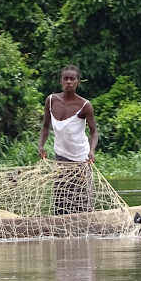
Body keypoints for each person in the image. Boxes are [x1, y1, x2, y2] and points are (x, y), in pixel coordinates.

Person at [37, 65, 99, 214]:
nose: (69, 82)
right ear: (61, 81)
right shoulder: (51, 100)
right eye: (66, 78)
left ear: (78, 82)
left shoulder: (85, 105)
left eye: (73, 79)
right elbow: (45, 127)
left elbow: (94, 132)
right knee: (61, 203)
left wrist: (92, 151)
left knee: (82, 203)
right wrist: (41, 146)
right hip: (61, 159)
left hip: (81, 160)